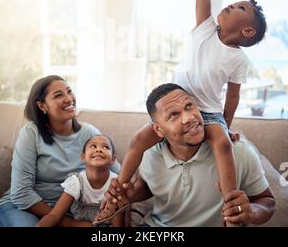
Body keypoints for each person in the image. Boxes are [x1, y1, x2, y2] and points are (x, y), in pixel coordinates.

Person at [94, 0, 267, 225]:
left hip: (209, 114)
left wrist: (226, 126)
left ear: (248, 31)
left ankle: (230, 211)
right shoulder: (204, 30)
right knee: (137, 140)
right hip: (176, 103)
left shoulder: (238, 60)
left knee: (223, 144)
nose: (230, 6)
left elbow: (232, 98)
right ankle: (116, 189)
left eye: (240, 9)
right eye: (234, 3)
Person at [102, 84, 275, 227]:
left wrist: (250, 211)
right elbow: (150, 186)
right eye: (174, 115)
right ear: (158, 129)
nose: (188, 118)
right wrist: (132, 193)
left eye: (189, 106)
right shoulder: (149, 153)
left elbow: (267, 201)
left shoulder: (238, 152)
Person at [0, 75, 119, 227]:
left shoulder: (91, 134)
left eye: (69, 91)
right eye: (58, 95)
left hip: (69, 211)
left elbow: (118, 177)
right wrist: (68, 223)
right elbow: (21, 192)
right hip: (22, 208)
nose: (69, 98)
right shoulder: (31, 133)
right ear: (42, 106)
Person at [36, 135, 124, 227]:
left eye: (105, 147)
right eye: (93, 146)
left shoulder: (115, 184)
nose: (98, 150)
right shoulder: (76, 182)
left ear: (113, 159)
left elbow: (117, 225)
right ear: (83, 157)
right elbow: (54, 215)